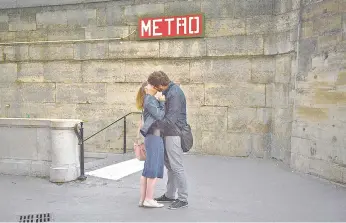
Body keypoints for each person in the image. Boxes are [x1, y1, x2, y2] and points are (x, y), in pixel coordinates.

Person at [148, 71, 189, 210]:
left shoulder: (174, 93)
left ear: (160, 85)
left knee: (176, 166)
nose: (154, 88)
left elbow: (171, 119)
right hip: (169, 132)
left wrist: (154, 127)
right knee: (170, 166)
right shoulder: (169, 91)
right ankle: (170, 195)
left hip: (174, 132)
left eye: (154, 86)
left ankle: (183, 199)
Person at [135, 81, 166, 208]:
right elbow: (160, 116)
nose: (155, 87)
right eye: (151, 85)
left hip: (150, 137)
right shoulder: (151, 101)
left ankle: (143, 199)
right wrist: (162, 102)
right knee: (153, 168)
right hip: (154, 137)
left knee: (147, 169)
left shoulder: (147, 102)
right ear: (147, 89)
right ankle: (149, 199)